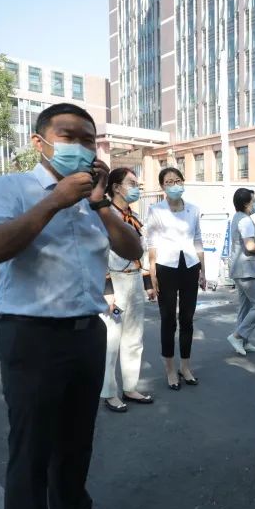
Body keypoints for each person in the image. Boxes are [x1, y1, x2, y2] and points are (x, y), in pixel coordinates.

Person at [0, 102, 143, 509]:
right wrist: (54, 201)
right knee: (32, 453)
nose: (82, 147)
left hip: (85, 333)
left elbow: (132, 250)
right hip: (31, 336)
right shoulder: (9, 188)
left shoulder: (94, 201)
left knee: (75, 443)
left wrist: (98, 204)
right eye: (69, 135)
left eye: (89, 139)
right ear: (40, 141)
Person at [99, 168, 155, 413]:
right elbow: (99, 254)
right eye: (131, 183)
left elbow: (141, 252)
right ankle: (109, 392)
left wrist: (148, 285)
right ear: (115, 187)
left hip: (133, 280)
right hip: (115, 282)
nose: (136, 187)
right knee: (111, 340)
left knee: (134, 339)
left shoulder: (133, 216)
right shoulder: (105, 216)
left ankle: (130, 387)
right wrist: (107, 289)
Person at [146, 167, 205, 391]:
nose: (174, 185)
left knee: (187, 319)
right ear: (162, 186)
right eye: (169, 182)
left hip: (190, 265)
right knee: (168, 319)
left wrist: (203, 270)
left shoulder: (193, 209)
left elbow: (197, 239)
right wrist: (152, 272)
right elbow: (151, 242)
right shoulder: (156, 210)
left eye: (178, 180)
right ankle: (170, 369)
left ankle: (185, 367)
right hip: (166, 267)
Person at [226, 187, 255, 356]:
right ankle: (238, 336)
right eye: (253, 201)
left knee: (246, 307)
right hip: (247, 270)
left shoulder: (237, 217)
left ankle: (243, 340)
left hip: (240, 269)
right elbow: (250, 246)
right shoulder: (245, 221)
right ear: (246, 204)